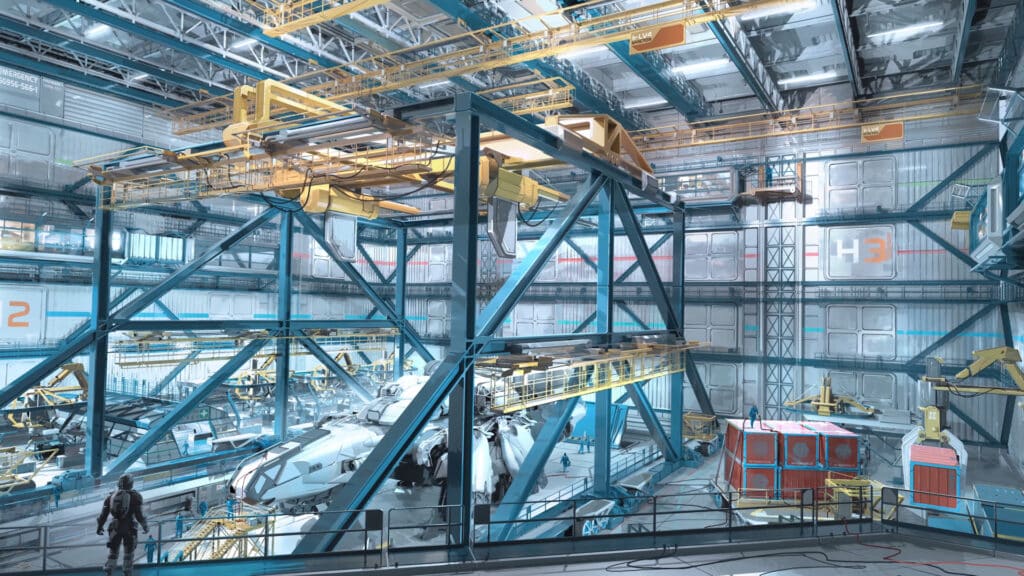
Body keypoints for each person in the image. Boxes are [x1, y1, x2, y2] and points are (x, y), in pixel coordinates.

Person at [96, 474, 148, 576]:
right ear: (131, 484)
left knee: (113, 552)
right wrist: (145, 526)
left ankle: (109, 571)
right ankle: (127, 572)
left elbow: (103, 515)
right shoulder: (136, 496)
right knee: (128, 553)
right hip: (130, 528)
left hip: (115, 527)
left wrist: (99, 527)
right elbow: (139, 515)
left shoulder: (110, 496)